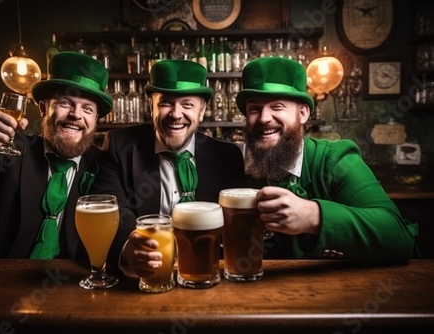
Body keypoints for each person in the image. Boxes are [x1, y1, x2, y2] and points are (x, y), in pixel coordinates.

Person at [0, 51, 122, 271]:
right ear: (43, 108)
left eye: (87, 109)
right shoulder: (11, 148)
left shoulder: (104, 166)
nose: (76, 115)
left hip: (69, 287)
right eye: (65, 103)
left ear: (95, 120)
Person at [236, 56, 418, 262]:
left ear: (303, 113)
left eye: (277, 106)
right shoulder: (245, 173)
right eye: (254, 109)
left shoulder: (335, 160)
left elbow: (399, 238)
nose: (263, 118)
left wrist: (313, 216)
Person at [92, 59, 245, 278]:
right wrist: (128, 247)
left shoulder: (228, 157)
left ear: (201, 111)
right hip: (147, 278)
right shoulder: (119, 145)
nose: (175, 114)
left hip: (208, 276)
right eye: (165, 103)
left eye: (187, 105)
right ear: (150, 106)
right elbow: (113, 209)